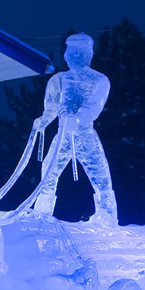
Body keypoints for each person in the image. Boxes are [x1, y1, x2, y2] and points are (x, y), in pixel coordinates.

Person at [32, 33, 118, 225]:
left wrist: (78, 118)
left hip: (86, 135)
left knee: (101, 176)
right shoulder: (58, 80)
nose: (74, 56)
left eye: (79, 52)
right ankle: (41, 216)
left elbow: (95, 105)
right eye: (71, 51)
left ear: (89, 54)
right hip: (62, 135)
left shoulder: (100, 80)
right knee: (48, 172)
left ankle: (108, 217)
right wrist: (43, 120)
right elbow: (52, 107)